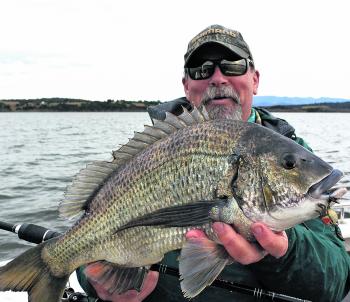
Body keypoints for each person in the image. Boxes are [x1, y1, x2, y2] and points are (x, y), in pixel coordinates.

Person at [77, 24, 350, 302]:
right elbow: (86, 238)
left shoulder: (294, 155)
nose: (218, 78)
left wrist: (283, 250)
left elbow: (335, 283)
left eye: (232, 65)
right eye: (201, 69)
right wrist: (96, 281)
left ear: (254, 79)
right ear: (186, 84)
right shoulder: (147, 156)